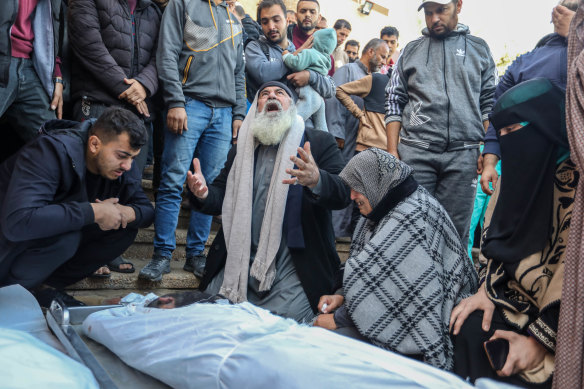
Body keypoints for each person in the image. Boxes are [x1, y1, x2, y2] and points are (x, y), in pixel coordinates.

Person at [187, 81, 350, 323]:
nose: (271, 96)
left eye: (280, 93)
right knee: (214, 319)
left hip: (292, 265)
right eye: (264, 94)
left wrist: (317, 180)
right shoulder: (240, 149)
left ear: (292, 106)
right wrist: (202, 193)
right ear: (256, 107)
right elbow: (220, 197)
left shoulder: (318, 142)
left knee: (285, 326)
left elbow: (343, 193)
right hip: (239, 260)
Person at [450, 79, 575, 388]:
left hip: (563, 321)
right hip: (513, 303)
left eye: (512, 131)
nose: (505, 143)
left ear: (544, 125)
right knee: (466, 327)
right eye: (500, 133)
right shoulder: (514, 176)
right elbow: (495, 244)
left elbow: (574, 278)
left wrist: (538, 342)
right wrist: (487, 293)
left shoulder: (577, 185)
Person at [314, 148, 477, 369]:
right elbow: (371, 274)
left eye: (356, 187)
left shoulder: (410, 215)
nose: (352, 196)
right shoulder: (381, 206)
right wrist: (341, 295)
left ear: (373, 181)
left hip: (432, 324)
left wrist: (338, 319)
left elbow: (397, 297)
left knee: (327, 345)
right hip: (402, 314)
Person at [0, 107, 154, 307]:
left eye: (133, 157)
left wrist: (128, 212)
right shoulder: (50, 151)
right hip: (8, 243)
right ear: (94, 144)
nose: (128, 165)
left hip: (39, 245)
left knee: (125, 227)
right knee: (67, 237)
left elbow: (148, 210)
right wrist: (93, 211)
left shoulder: (121, 169)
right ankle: (10, 294)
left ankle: (44, 288)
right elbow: (18, 221)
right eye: (122, 156)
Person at [140, 0, 246, 281]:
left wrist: (238, 113)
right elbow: (167, 54)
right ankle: (162, 255)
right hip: (190, 104)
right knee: (173, 181)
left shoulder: (234, 18)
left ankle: (196, 255)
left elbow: (238, 72)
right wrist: (175, 101)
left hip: (224, 114)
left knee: (207, 189)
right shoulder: (182, 4)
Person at [385, 0, 496, 247]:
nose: (434, 18)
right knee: (409, 229)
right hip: (415, 153)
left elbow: (490, 103)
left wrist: (489, 153)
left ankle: (451, 286)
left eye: (441, 10)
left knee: (455, 236)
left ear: (458, 5)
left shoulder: (479, 49)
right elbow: (394, 100)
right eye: (428, 12)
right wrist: (393, 151)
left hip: (463, 155)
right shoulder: (410, 50)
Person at [67, 0, 161, 276]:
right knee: (87, 180)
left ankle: (108, 250)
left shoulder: (152, 9)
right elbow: (89, 46)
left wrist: (144, 85)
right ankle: (79, 251)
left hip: (139, 106)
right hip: (96, 99)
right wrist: (126, 88)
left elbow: (161, 54)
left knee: (126, 180)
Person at [479, 1, 576, 197]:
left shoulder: (525, 62)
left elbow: (496, 115)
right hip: (532, 172)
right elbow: (498, 115)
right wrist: (490, 161)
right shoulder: (525, 63)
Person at [326, 38, 389, 240]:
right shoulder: (349, 70)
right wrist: (337, 133)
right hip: (341, 140)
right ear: (370, 51)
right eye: (382, 56)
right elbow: (333, 100)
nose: (384, 61)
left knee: (352, 190)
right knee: (340, 186)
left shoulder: (373, 79)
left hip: (357, 142)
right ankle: (333, 236)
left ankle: (342, 235)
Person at [245, 0, 334, 125]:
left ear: (287, 21)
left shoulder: (303, 51)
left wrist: (310, 76)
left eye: (276, 20)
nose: (271, 26)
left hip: (303, 129)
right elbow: (263, 74)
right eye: (265, 22)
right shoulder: (255, 47)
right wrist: (296, 55)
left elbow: (331, 89)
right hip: (268, 126)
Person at [0, 0, 65, 156]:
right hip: (3, 58)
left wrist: (56, 74)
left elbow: (52, 25)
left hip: (31, 66)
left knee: (57, 147)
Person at [283, 27, 337, 131]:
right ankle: (324, 135)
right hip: (319, 93)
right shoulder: (327, 59)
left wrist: (286, 56)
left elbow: (296, 64)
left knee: (304, 108)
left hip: (307, 88)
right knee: (320, 117)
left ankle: (288, 126)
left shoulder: (310, 53)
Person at [335, 72, 391, 152]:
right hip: (368, 148)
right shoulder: (377, 80)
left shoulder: (408, 89)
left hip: (393, 154)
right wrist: (359, 115)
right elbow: (339, 90)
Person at [287, 0, 334, 76]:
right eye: (303, 11)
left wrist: (311, 77)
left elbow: (329, 83)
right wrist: (298, 52)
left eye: (312, 12)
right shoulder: (284, 36)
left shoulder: (324, 46)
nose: (307, 15)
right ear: (295, 16)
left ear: (319, 18)